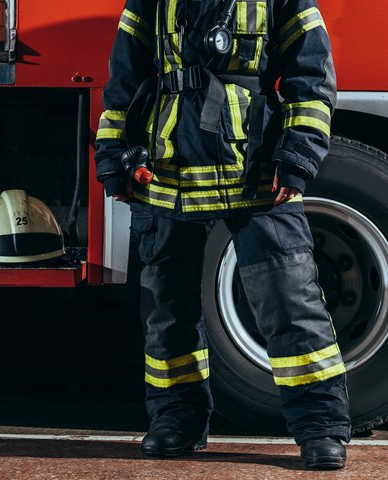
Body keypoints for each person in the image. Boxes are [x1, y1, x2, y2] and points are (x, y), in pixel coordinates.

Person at [94, 0, 350, 470]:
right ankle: (176, 421)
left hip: (254, 168)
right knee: (167, 308)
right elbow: (125, 76)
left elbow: (311, 78)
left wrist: (298, 154)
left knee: (289, 300)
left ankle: (320, 427)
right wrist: (115, 155)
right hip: (168, 171)